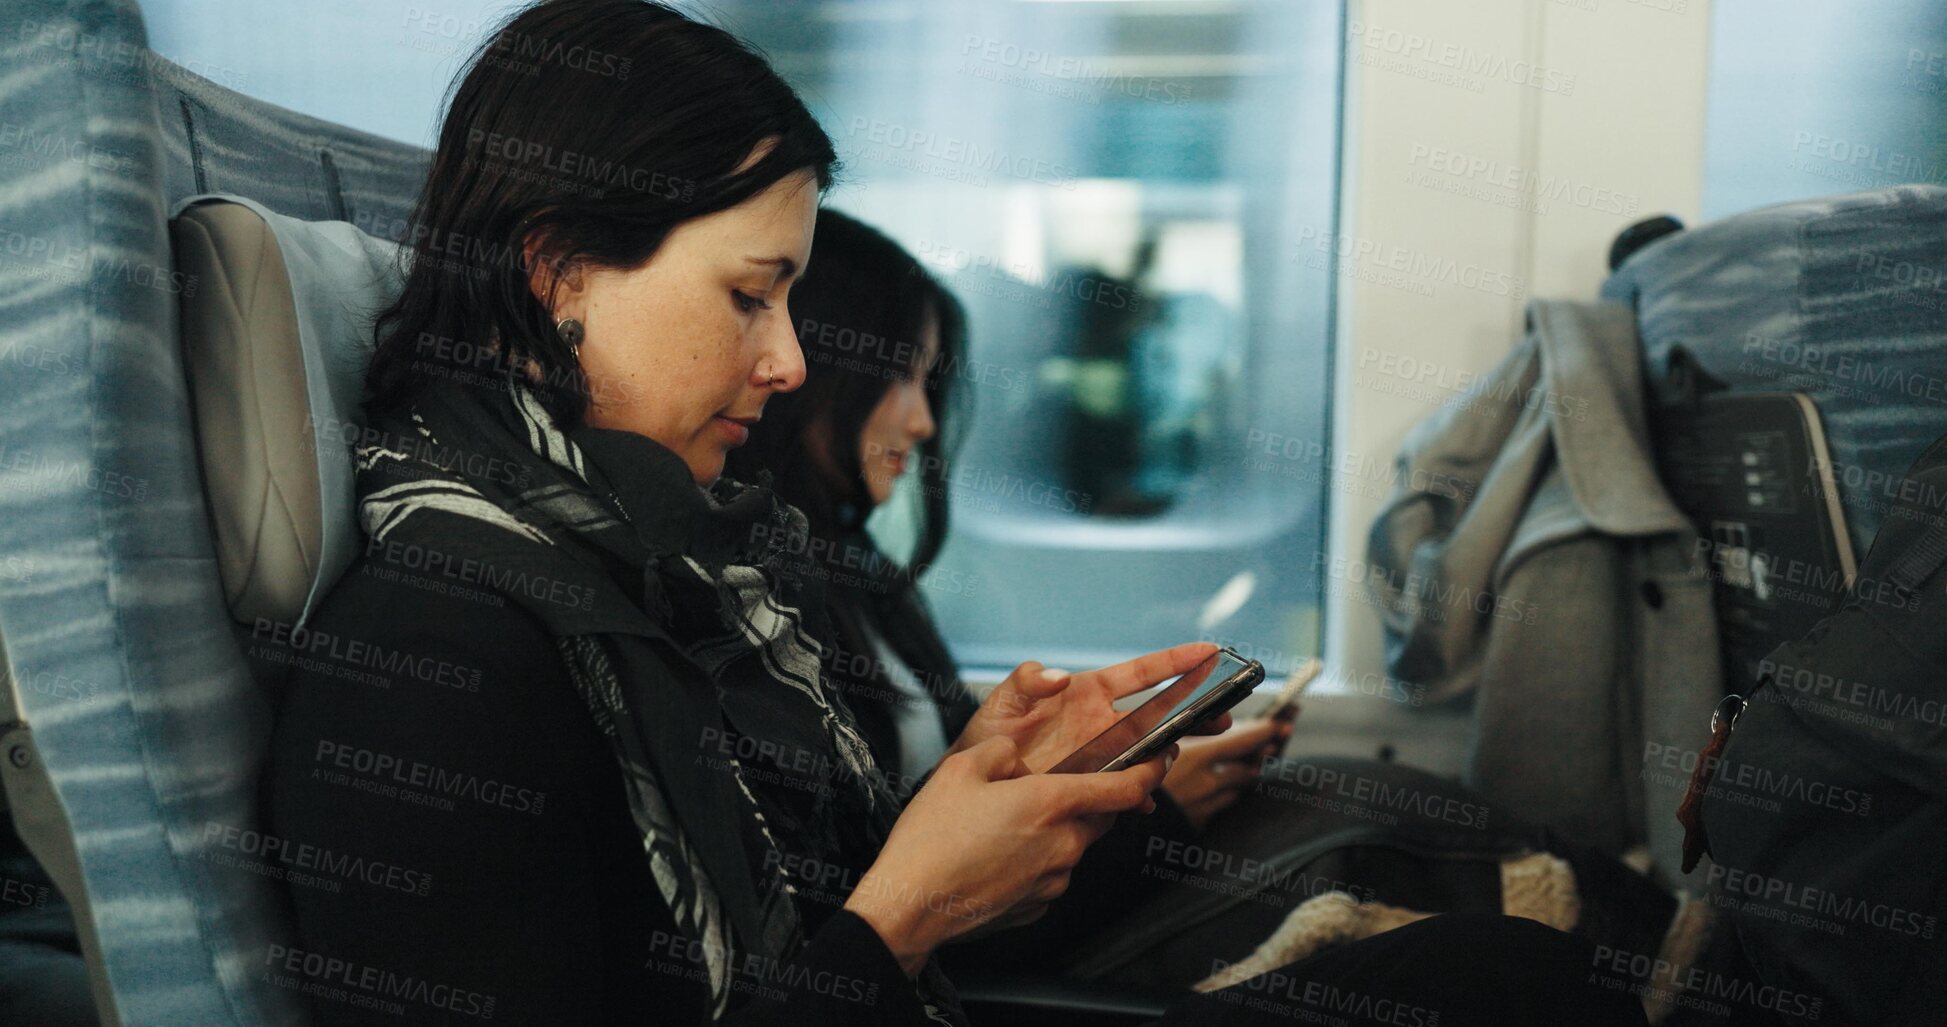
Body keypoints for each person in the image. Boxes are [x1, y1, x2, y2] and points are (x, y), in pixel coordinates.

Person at [265, 2, 1648, 1025]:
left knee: (1492, 969)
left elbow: (829, 932)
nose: (792, 362)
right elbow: (850, 945)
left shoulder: (672, 573)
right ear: (562, 270)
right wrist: (904, 909)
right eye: (751, 294)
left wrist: (979, 805)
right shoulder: (445, 653)